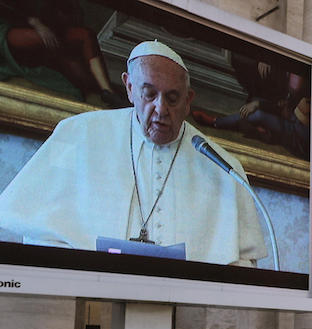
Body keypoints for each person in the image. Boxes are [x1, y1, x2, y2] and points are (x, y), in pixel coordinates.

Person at [0, 40, 266, 266]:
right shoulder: (77, 135)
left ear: (188, 100)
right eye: (149, 94)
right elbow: (40, 236)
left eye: (173, 98)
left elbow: (243, 265)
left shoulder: (223, 166)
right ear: (129, 87)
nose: (161, 109)